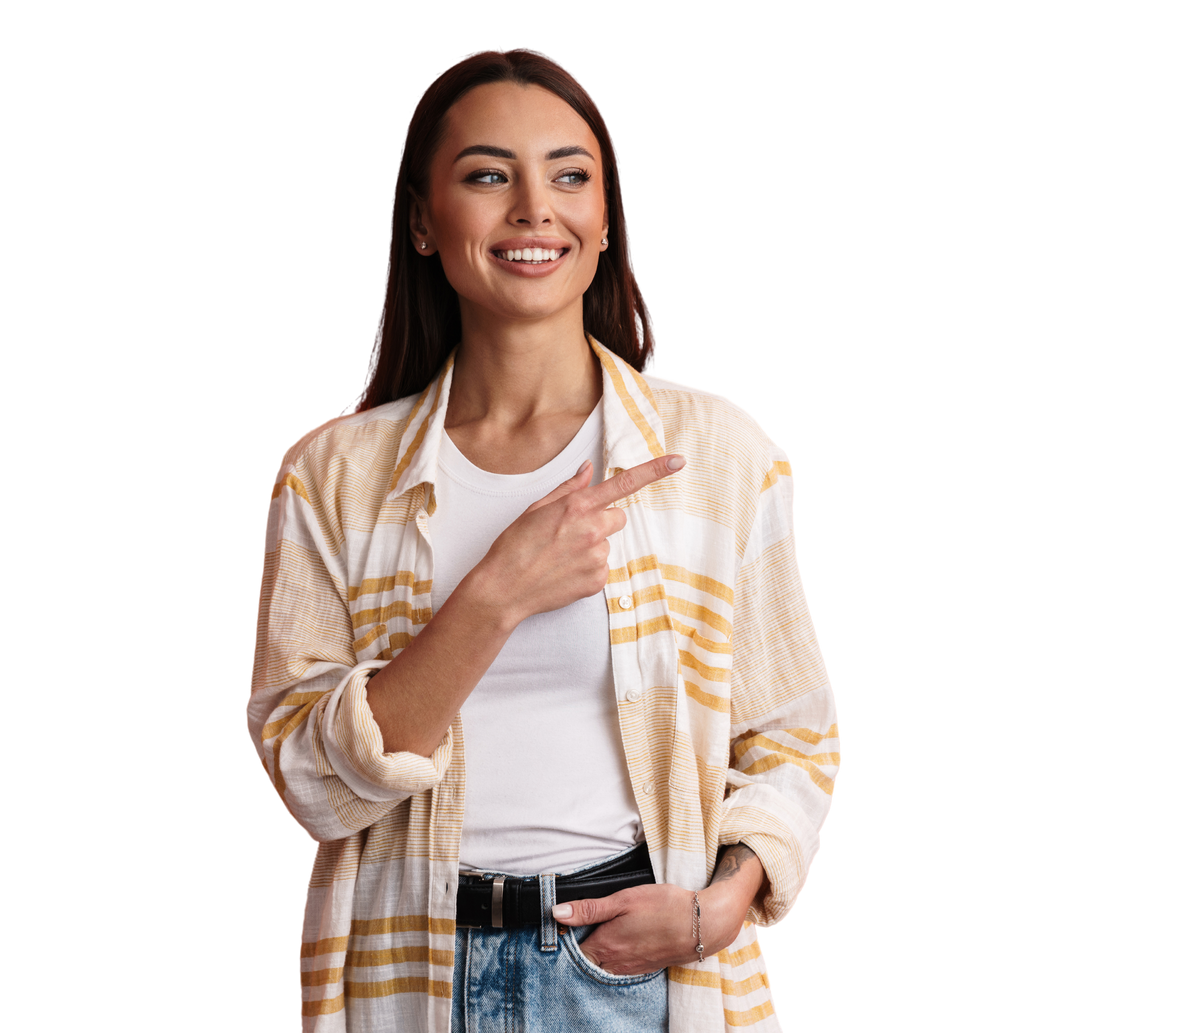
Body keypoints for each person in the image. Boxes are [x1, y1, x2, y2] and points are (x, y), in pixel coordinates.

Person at [244, 45, 840, 1033]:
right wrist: (494, 596)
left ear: (604, 221)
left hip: (644, 974)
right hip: (411, 974)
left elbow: (793, 732)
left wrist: (719, 902)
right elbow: (308, 782)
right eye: (488, 174)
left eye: (570, 175)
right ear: (425, 222)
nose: (534, 208)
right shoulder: (330, 476)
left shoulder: (722, 454)